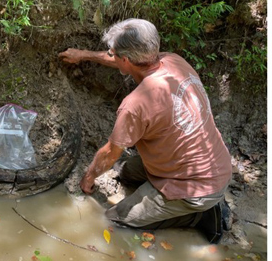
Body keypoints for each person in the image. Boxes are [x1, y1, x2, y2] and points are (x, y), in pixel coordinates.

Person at [60, 18, 233, 243]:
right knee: (125, 172)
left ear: (125, 59)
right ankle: (200, 201)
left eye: (112, 53)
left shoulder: (135, 105)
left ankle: (199, 216)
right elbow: (125, 60)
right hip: (210, 163)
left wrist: (89, 177)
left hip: (194, 186)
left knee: (114, 219)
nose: (110, 55)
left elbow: (111, 153)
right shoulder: (173, 61)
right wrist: (84, 55)